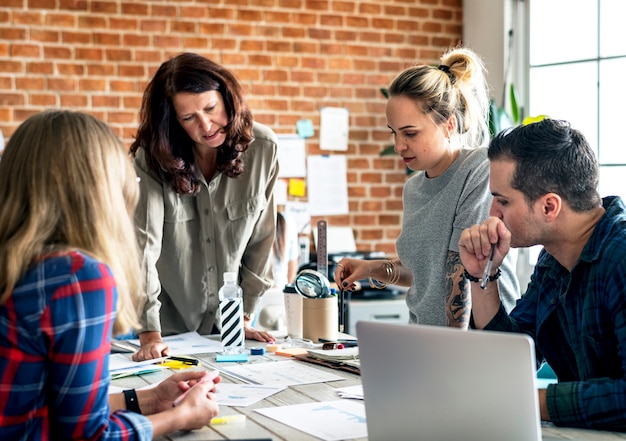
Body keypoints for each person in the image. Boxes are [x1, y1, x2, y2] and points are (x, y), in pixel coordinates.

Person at [0, 110, 221, 440]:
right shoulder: (75, 277)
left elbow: (45, 404)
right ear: (100, 190)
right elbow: (88, 435)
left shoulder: (19, 264)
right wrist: (180, 417)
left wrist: (148, 398)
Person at [458, 118, 626, 431]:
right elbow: (509, 364)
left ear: (549, 207)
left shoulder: (620, 259)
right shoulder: (552, 260)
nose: (493, 213)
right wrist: (484, 275)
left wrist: (527, 401)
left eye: (503, 200)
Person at [334, 47, 519, 329]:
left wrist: (446, 353)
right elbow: (422, 273)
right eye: (393, 133)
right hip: (426, 342)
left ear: (449, 126)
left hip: (478, 345)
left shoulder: (480, 167)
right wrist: (369, 269)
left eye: (410, 133)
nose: (398, 146)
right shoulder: (414, 189)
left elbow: (462, 274)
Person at [130, 52, 278, 361]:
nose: (206, 125)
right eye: (189, 118)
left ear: (227, 97)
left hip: (230, 331)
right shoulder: (152, 159)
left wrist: (245, 316)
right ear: (173, 122)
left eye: (211, 108)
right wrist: (149, 335)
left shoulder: (263, 148)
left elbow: (262, 241)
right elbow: (143, 247)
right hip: (168, 333)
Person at [273, 211, 300, 289]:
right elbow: (292, 264)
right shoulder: (288, 220)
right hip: (281, 290)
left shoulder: (288, 221)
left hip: (258, 293)